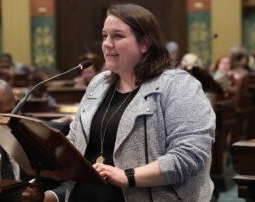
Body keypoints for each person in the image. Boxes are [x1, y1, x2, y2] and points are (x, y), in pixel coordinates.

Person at [44, 3, 215, 202]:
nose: (107, 43)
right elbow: (75, 141)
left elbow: (190, 155)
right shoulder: (99, 83)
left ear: (145, 43)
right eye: (104, 36)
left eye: (117, 36)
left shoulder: (178, 85)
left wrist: (129, 176)